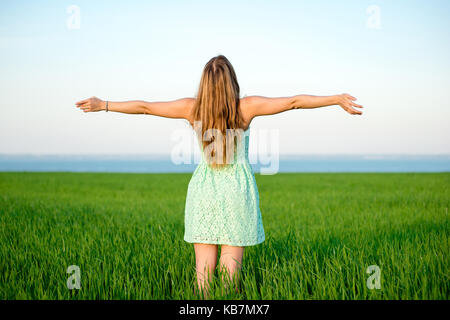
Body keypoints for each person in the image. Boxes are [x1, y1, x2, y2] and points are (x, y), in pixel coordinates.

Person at [75, 54, 363, 299]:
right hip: (237, 191)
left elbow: (147, 108)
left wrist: (105, 105)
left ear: (204, 83)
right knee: (229, 279)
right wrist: (335, 98)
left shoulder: (192, 108)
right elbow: (294, 102)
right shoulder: (245, 108)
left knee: (203, 275)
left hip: (203, 191)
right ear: (232, 82)